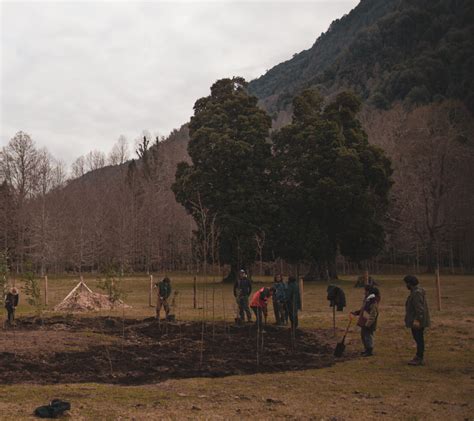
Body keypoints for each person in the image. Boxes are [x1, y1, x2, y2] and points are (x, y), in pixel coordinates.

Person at [404, 275, 430, 366]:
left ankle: (419, 357)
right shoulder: (415, 291)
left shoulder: (416, 293)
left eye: (406, 283)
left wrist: (418, 320)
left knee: (419, 339)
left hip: (417, 321)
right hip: (416, 320)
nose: (406, 285)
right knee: (418, 338)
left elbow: (419, 308)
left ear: (410, 284)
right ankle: (418, 356)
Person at [351, 285, 380, 357]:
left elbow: (373, 315)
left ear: (369, 292)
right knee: (363, 336)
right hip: (364, 321)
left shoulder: (373, 302)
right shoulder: (367, 300)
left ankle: (369, 350)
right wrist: (356, 312)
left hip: (369, 323)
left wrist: (368, 324)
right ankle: (366, 349)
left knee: (368, 337)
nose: (364, 292)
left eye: (365, 291)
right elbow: (363, 310)